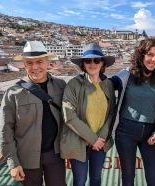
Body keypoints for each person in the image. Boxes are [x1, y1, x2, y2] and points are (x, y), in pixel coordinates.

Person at [0, 41, 66, 186]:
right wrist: (13, 163)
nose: (35, 67)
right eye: (29, 63)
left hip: (55, 154)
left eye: (39, 62)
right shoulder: (13, 93)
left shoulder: (61, 86)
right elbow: (5, 130)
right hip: (26, 157)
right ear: (24, 65)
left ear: (48, 62)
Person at [108, 37, 155, 186]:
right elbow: (106, 85)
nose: (153, 59)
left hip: (150, 133)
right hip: (126, 131)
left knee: (154, 179)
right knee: (128, 178)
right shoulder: (127, 74)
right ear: (141, 55)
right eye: (149, 54)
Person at [60, 43, 116, 186]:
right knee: (80, 181)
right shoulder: (73, 85)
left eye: (97, 60)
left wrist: (101, 138)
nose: (92, 63)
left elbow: (112, 112)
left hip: (100, 143)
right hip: (78, 142)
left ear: (102, 63)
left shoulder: (108, 85)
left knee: (96, 179)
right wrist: (93, 139)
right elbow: (69, 116)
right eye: (88, 60)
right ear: (83, 64)